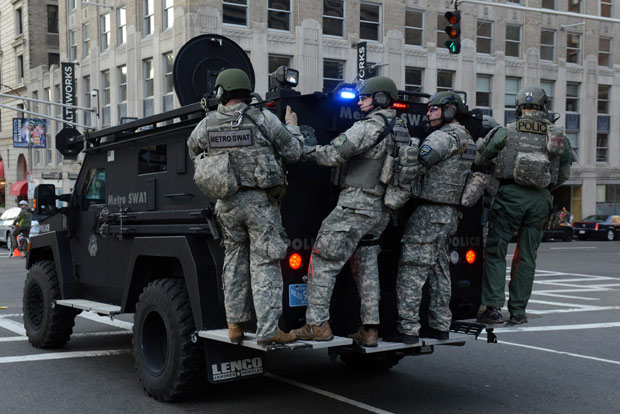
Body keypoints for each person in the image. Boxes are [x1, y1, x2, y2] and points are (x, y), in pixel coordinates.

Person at [290, 76, 412, 347]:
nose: (360, 101)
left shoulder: (369, 127)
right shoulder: (402, 129)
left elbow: (332, 154)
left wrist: (301, 146)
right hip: (381, 210)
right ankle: (369, 329)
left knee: (323, 259)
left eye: (365, 97)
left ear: (380, 98)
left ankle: (317, 324)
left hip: (356, 205)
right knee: (367, 266)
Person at [187, 68, 303, 345]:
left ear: (221, 92)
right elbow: (294, 152)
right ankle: (268, 331)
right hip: (260, 204)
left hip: (226, 203)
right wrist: (293, 126)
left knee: (235, 261)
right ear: (246, 92)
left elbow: (193, 149)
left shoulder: (209, 123)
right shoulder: (264, 119)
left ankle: (235, 325)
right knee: (265, 262)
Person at [476, 85, 572, 325]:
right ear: (544, 107)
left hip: (509, 196)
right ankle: (518, 311)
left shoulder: (506, 131)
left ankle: (493, 309)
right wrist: (543, 189)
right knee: (527, 256)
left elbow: (481, 157)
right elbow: (564, 174)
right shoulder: (557, 134)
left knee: (497, 252)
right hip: (540, 198)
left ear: (518, 107)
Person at [389, 91, 473, 344]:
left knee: (412, 269)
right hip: (449, 214)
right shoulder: (468, 139)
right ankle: (439, 325)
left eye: (434, 109)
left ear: (450, 111)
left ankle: (408, 329)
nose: (429, 113)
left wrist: (407, 148)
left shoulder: (440, 138)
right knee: (439, 271)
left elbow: (413, 168)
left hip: (429, 212)